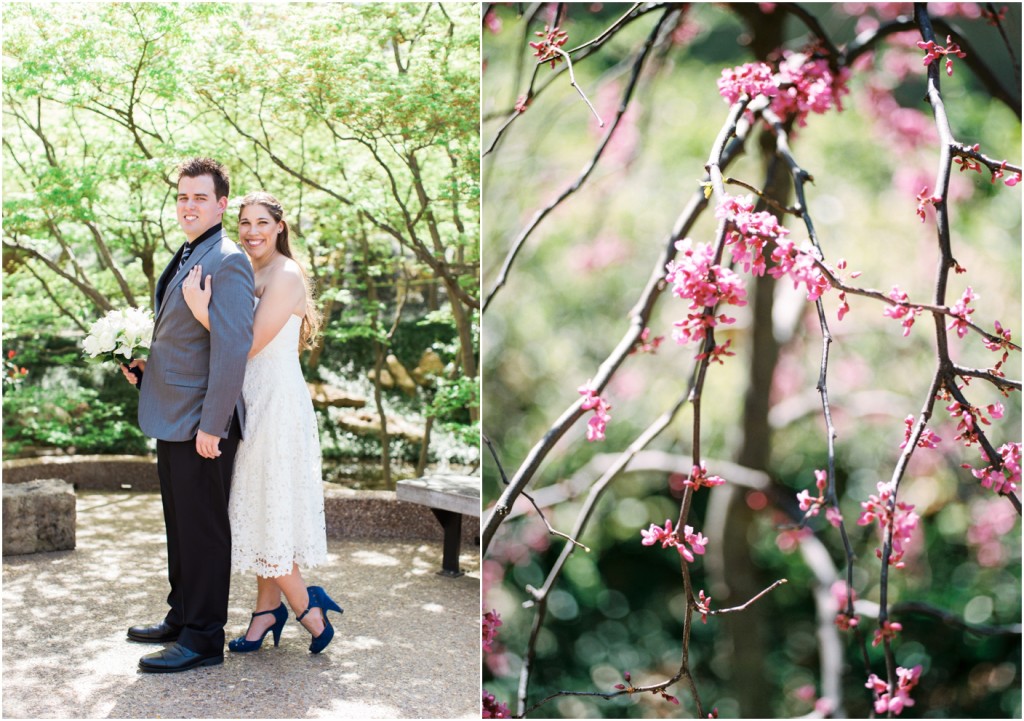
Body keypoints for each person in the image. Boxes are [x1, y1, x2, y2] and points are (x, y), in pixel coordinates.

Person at [181, 191, 342, 654]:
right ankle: (264, 613)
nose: (252, 231)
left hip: (275, 402)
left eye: (261, 223)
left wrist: (200, 310)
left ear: (279, 228)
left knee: (264, 503)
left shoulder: (288, 274)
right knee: (257, 505)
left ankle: (307, 605)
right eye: (245, 223)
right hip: (245, 397)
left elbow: (247, 344)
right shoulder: (244, 269)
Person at [120, 157, 255, 672]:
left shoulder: (228, 260)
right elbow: (187, 340)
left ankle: (202, 638)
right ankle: (181, 616)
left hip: (203, 423)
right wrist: (146, 366)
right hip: (171, 412)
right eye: (182, 197)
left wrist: (213, 426)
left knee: (203, 531)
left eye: (200, 197)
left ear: (223, 204)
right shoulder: (185, 253)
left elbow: (232, 349)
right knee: (180, 525)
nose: (189, 205)